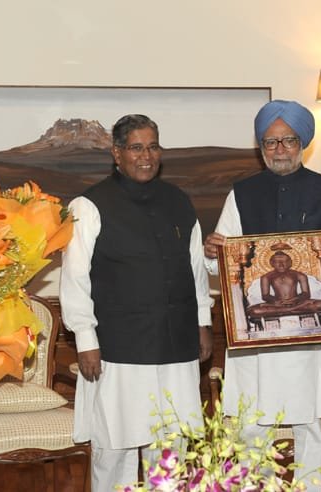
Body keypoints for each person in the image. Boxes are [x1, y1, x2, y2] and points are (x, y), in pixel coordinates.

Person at [204, 99, 321, 491]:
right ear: (261, 147)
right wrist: (212, 252)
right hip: (257, 339)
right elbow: (222, 266)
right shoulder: (241, 194)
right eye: (271, 142)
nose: (280, 149)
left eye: (287, 140)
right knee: (252, 424)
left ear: (302, 142)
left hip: (309, 341)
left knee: (309, 425)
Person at [59, 114, 213, 491]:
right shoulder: (88, 205)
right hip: (118, 347)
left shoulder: (179, 201)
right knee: (115, 446)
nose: (147, 156)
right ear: (117, 153)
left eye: (153, 146)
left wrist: (203, 323)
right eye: (136, 147)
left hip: (177, 343)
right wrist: (85, 339)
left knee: (172, 443)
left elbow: (194, 267)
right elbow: (74, 277)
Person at [247, 250, 321, 317]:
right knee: (253, 310)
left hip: (297, 302)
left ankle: (287, 310)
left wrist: (295, 300)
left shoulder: (299, 275)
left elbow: (306, 294)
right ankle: (292, 310)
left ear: (290, 263)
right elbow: (265, 295)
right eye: (277, 262)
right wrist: (277, 301)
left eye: (285, 261)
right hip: (277, 304)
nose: (281, 265)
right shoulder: (266, 277)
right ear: (271, 263)